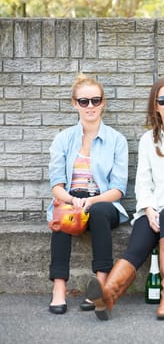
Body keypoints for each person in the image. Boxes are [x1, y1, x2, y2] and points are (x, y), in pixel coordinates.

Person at [86, 77, 164, 320]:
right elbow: (143, 182)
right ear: (155, 106)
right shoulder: (149, 140)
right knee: (136, 246)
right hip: (153, 210)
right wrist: (148, 209)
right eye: (163, 99)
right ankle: (108, 297)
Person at [47, 73, 129, 315]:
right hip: (71, 198)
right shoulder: (63, 139)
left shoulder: (117, 140)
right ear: (75, 104)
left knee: (101, 211)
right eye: (84, 101)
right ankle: (59, 289)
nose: (90, 106)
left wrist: (91, 201)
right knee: (61, 215)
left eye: (95, 100)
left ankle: (100, 285)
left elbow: (118, 189)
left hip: (102, 201)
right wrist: (72, 200)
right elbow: (56, 186)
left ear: (103, 102)